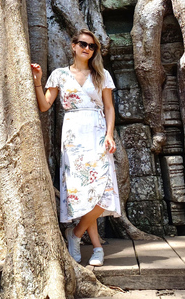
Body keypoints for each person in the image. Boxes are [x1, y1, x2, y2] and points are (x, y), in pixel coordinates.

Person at [31, 29, 121, 267]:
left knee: (104, 191)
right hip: (73, 137)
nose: (87, 49)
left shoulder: (101, 74)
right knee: (82, 192)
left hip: (97, 133)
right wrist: (38, 81)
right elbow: (44, 106)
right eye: (83, 44)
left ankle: (76, 233)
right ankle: (98, 248)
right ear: (73, 46)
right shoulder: (59, 75)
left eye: (91, 46)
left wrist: (110, 134)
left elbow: (109, 108)